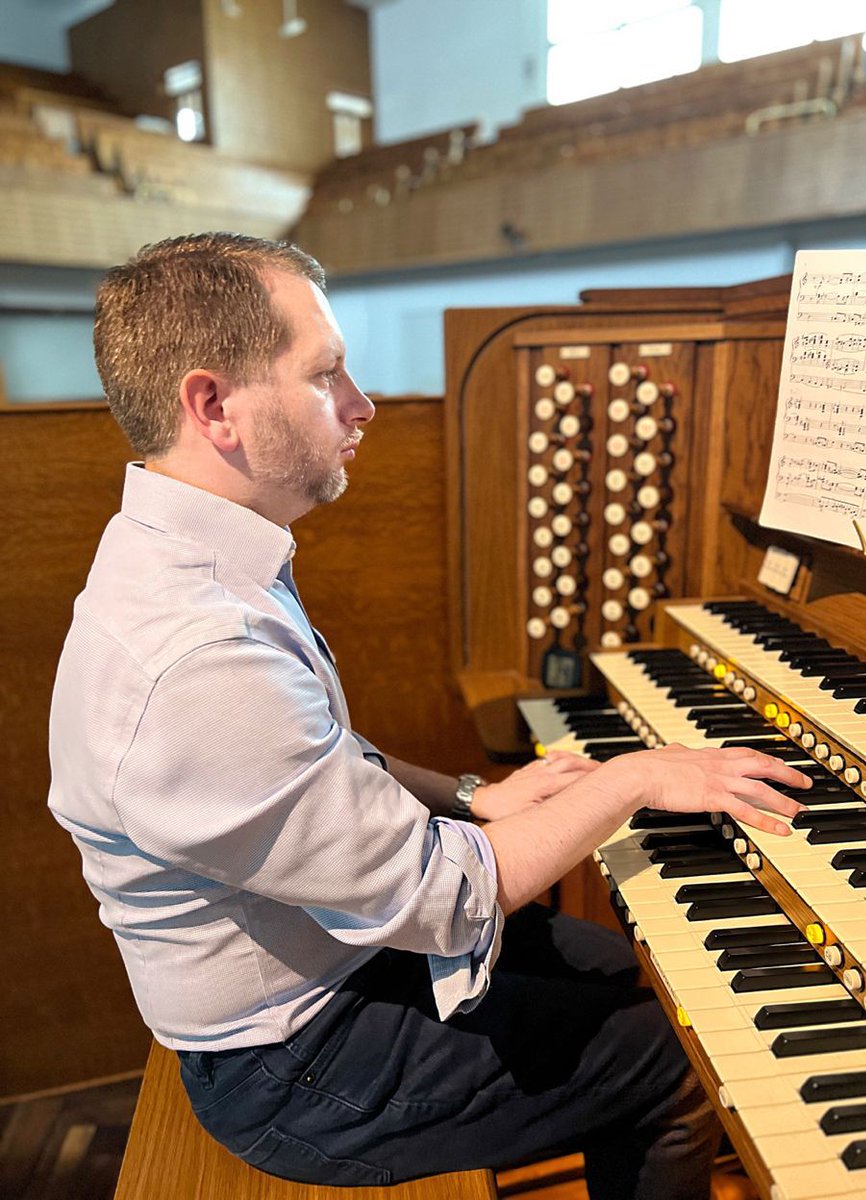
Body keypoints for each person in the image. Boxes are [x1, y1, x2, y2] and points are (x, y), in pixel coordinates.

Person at [48, 232, 809, 1199]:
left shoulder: (183, 560)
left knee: (616, 965)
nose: (361, 406)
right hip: (289, 1063)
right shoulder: (198, 661)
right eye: (327, 375)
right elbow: (447, 900)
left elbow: (317, 757)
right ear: (214, 407)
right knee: (663, 1066)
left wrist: (474, 796)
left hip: (324, 963)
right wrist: (637, 777)